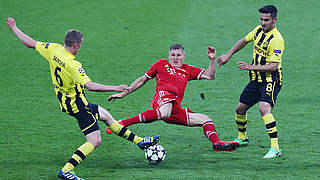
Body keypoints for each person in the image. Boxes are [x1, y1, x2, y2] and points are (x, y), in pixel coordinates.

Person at [6, 17, 160, 180]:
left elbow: (30, 43)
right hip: (78, 105)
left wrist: (14, 28)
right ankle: (66, 170)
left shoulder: (54, 49)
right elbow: (90, 86)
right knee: (94, 141)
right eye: (80, 45)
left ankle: (140, 142)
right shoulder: (74, 65)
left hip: (65, 102)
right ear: (76, 45)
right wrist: (116, 87)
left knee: (106, 116)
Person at [107, 43, 239, 151]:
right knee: (164, 113)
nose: (176, 58)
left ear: (184, 56)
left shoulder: (188, 69)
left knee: (205, 119)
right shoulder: (160, 64)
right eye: (173, 55)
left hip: (174, 106)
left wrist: (212, 60)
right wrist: (124, 93)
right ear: (169, 56)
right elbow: (142, 80)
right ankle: (122, 122)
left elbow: (210, 76)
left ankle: (217, 143)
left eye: (179, 55)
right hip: (163, 97)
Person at [217, 5, 285, 158]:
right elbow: (244, 41)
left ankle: (275, 148)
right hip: (255, 80)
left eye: (266, 20)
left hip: (271, 80)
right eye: (261, 19)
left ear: (274, 20)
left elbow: (274, 66)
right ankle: (242, 138)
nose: (263, 23)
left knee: (263, 108)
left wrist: (250, 66)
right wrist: (228, 55)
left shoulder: (277, 40)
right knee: (240, 109)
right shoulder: (258, 31)